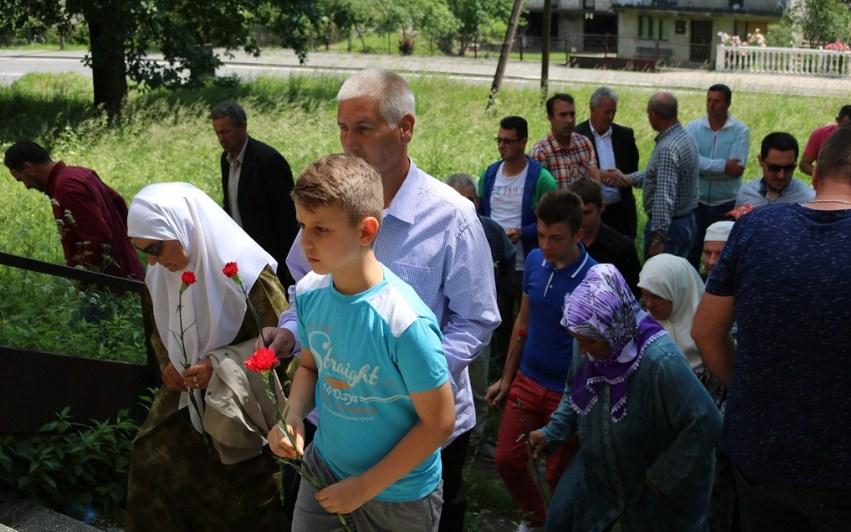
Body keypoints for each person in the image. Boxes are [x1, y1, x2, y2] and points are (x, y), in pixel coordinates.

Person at [262, 68, 500, 532]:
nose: (350, 142)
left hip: (418, 428)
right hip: (336, 423)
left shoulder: (451, 216)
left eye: (364, 128)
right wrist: (291, 331)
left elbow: (476, 320)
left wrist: (410, 376)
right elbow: (305, 287)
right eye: (343, 128)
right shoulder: (330, 206)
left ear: (405, 128)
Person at [267, 154, 454, 532]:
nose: (305, 242)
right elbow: (309, 366)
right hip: (325, 469)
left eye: (322, 229)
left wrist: (364, 487)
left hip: (398, 496)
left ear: (366, 231)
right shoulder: (308, 293)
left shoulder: (405, 323)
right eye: (302, 225)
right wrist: (292, 416)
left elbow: (439, 423)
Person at [692, 126, 851, 531]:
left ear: (813, 176)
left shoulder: (757, 228)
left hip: (759, 457)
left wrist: (749, 389)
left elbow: (705, 333)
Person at [124, 182, 288, 531]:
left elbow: (284, 344)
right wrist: (168, 365)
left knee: (247, 496)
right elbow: (160, 331)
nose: (152, 261)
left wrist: (220, 368)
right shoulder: (160, 275)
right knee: (151, 459)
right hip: (185, 396)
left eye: (156, 247)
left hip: (243, 405)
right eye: (144, 252)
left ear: (184, 228)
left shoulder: (246, 273)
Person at [529, 264, 721, 532]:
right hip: (601, 466)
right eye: (578, 340)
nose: (583, 350)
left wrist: (665, 475)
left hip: (652, 484)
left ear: (615, 327)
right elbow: (578, 387)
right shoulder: (589, 334)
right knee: (561, 523)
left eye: (589, 342)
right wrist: (553, 432)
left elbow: (706, 421)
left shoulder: (660, 362)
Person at [485, 189, 596, 531]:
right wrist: (506, 377)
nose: (546, 245)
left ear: (578, 234)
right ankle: (536, 520)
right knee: (506, 459)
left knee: (557, 475)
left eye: (556, 238)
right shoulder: (533, 261)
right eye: (542, 234)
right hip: (527, 380)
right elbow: (523, 321)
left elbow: (596, 350)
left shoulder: (594, 279)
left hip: (566, 393)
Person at [478, 115, 557, 369]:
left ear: (523, 142)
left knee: (527, 319)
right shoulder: (490, 174)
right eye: (499, 140)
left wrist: (523, 232)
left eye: (508, 141)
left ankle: (522, 367)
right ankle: (498, 366)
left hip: (528, 260)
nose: (502, 146)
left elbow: (554, 221)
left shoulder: (540, 178)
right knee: (498, 317)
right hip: (495, 262)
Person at [447, 172, 516, 459]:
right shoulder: (439, 229)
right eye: (458, 200)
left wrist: (501, 298)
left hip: (478, 323)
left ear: (478, 201)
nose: (465, 206)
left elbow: (509, 262)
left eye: (470, 200)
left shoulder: (491, 230)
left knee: (477, 383)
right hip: (446, 323)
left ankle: (475, 441)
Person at [4, 140, 144, 280]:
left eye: (21, 180)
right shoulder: (79, 173)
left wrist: (83, 280)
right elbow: (118, 203)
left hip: (113, 283)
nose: (27, 186)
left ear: (28, 168)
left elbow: (97, 238)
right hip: (129, 272)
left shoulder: (67, 188)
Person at [212, 101, 299, 285]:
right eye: (217, 133)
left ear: (243, 127)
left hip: (271, 257)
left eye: (226, 131)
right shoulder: (226, 160)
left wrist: (288, 264)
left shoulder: (268, 160)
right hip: (243, 255)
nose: (221, 138)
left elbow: (287, 217)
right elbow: (231, 203)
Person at [608, 92, 700, 260]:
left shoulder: (667, 148)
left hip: (670, 230)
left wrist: (658, 238)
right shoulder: (684, 137)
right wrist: (629, 178)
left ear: (654, 115)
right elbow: (659, 173)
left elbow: (664, 196)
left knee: (660, 282)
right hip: (685, 222)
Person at [685, 84, 749, 268]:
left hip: (725, 203)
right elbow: (691, 162)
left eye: (717, 101)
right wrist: (723, 166)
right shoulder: (694, 128)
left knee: (721, 254)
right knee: (693, 251)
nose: (711, 105)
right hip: (697, 202)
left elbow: (737, 169)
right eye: (709, 100)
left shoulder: (740, 130)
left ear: (728, 103)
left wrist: (702, 167)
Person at [575, 86, 641, 239]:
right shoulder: (577, 136)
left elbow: (633, 169)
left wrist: (622, 178)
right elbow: (574, 173)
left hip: (620, 212)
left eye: (613, 112)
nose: (610, 116)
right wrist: (599, 174)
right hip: (591, 212)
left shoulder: (624, 135)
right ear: (592, 109)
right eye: (607, 112)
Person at [568, 177, 641, 298]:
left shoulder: (621, 247)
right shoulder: (565, 244)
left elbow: (633, 293)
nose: (581, 220)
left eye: (587, 213)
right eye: (576, 213)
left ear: (601, 207)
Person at [637, 253, 705, 370]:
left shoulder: (710, 329)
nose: (649, 304)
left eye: (657, 297)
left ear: (679, 293)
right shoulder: (641, 324)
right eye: (645, 295)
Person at [531, 93, 601, 188]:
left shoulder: (584, 143)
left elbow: (595, 182)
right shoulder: (541, 152)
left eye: (572, 114)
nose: (569, 120)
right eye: (563, 115)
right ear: (550, 117)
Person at [735, 132, 815, 208]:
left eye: (788, 168)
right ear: (761, 161)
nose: (781, 175)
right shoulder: (745, 194)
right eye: (774, 168)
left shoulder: (808, 200)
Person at [798, 104, 851, 176]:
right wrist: (824, 177)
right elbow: (804, 164)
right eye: (847, 126)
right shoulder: (820, 134)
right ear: (837, 120)